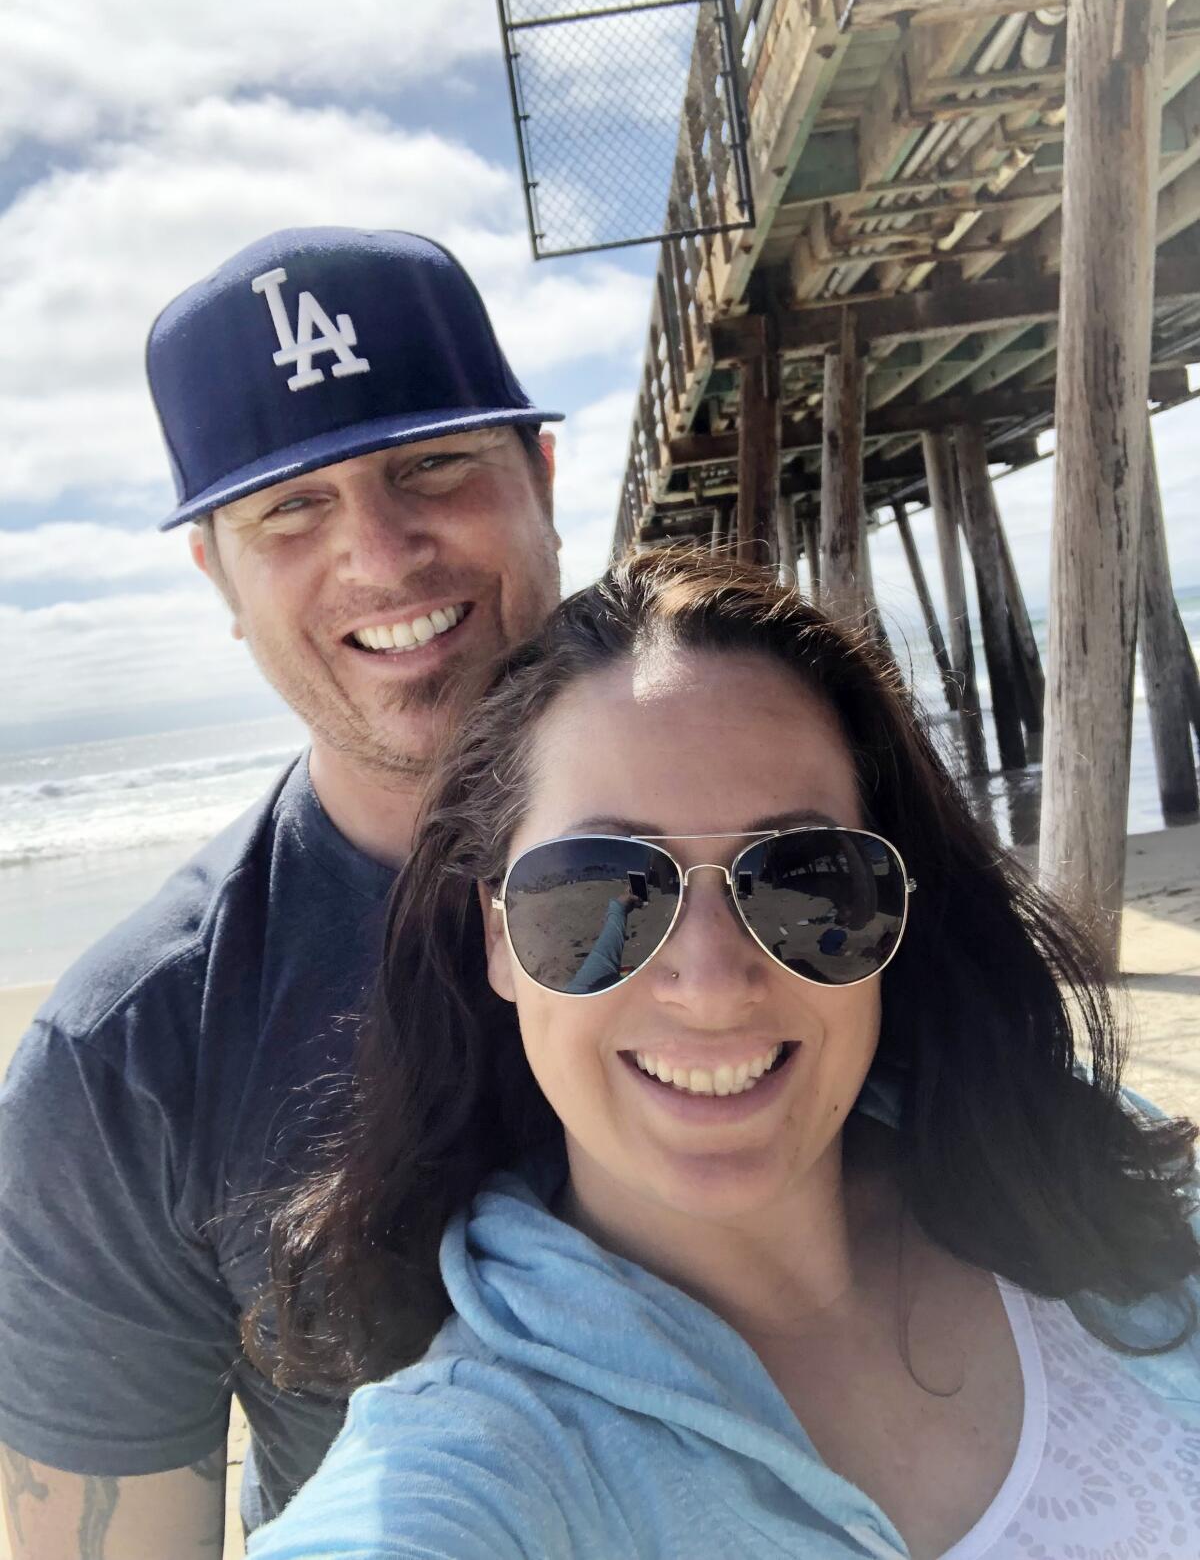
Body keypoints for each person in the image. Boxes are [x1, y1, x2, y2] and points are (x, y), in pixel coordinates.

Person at [249, 548, 1200, 1560]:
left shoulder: (1090, 1162)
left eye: (804, 877)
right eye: (600, 892)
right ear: (500, 940)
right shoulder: (475, 1467)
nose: (710, 984)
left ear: (894, 904)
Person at [0, 226, 564, 1559]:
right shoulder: (126, 1067)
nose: (380, 554)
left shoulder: (808, 833)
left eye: (432, 463)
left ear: (541, 473)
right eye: (289, 509)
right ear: (219, 575)